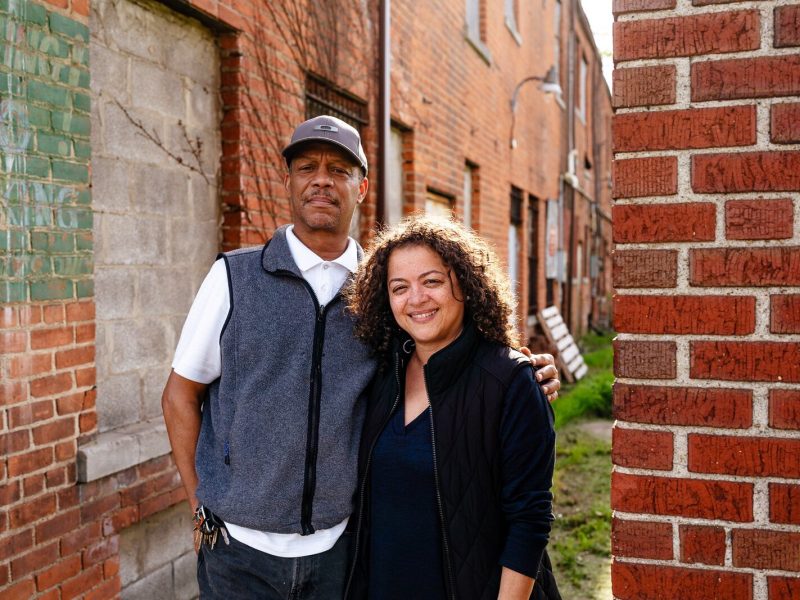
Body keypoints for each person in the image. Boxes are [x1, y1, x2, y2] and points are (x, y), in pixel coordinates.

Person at [161, 115, 561, 599]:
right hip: (238, 551)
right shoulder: (234, 278)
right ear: (288, 180)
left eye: (340, 170)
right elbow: (180, 395)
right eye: (307, 167)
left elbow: (447, 342)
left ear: (362, 186)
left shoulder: (381, 290)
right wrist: (199, 503)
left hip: (341, 552)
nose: (322, 180)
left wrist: (522, 367)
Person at [344, 217, 558, 600]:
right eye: (399, 288)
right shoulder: (380, 374)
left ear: (465, 283)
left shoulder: (509, 381)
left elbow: (529, 520)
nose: (416, 299)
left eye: (432, 281)